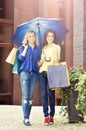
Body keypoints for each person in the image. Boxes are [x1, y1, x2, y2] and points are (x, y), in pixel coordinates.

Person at [17, 31, 41, 126]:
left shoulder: (38, 49)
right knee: (25, 97)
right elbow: (20, 58)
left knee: (30, 98)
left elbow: (39, 61)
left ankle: (28, 117)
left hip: (34, 74)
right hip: (24, 74)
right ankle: (26, 118)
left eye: (33, 36)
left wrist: (40, 62)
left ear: (35, 38)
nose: (32, 38)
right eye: (30, 37)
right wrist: (26, 48)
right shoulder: (23, 47)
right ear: (27, 38)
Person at [38, 29, 61, 125]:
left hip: (52, 72)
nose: (50, 38)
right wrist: (41, 60)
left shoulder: (57, 47)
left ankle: (51, 116)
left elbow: (57, 62)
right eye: (48, 36)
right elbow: (39, 64)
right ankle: (45, 116)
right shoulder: (43, 48)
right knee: (43, 94)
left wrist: (55, 52)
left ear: (54, 37)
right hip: (42, 72)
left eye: (52, 36)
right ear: (46, 38)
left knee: (51, 94)